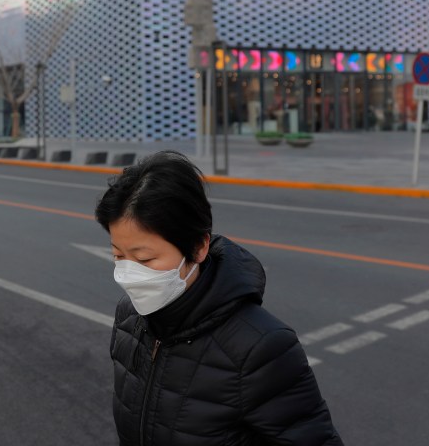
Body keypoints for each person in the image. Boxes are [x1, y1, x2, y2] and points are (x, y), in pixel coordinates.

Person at [95, 151, 343, 445]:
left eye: (145, 259)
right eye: (118, 256)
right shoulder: (129, 318)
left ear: (199, 247)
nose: (128, 274)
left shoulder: (260, 347)